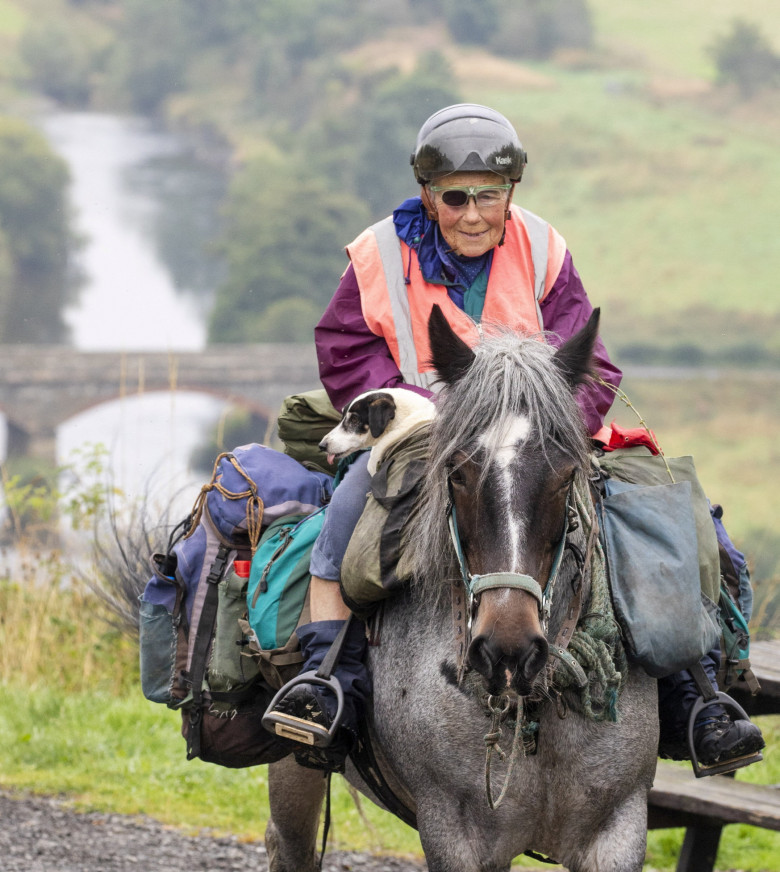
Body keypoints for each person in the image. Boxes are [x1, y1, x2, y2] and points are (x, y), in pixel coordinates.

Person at [267, 103, 764, 774]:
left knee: (659, 517)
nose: (473, 213)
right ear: (428, 194)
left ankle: (694, 696)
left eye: (489, 196)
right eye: (456, 197)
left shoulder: (543, 248)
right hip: (424, 435)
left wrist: (551, 424)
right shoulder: (376, 254)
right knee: (347, 516)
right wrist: (412, 409)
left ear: (511, 193)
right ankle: (332, 686)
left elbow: (591, 361)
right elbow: (345, 350)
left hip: (533, 436)